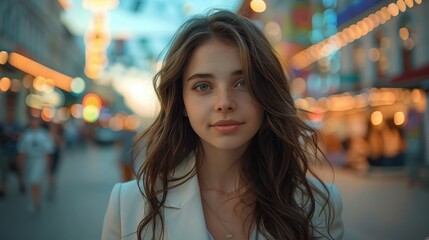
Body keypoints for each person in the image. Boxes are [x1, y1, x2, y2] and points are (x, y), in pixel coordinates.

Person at [102, 10, 344, 240]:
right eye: (203, 87)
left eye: (242, 83)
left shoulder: (319, 205)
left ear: (267, 93)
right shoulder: (129, 205)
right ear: (182, 103)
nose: (224, 103)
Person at [17, 116, 54, 213]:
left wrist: (48, 167)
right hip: (30, 161)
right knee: (32, 182)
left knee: (35, 181)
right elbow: (22, 150)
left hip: (39, 160)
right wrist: (21, 163)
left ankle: (35, 202)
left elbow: (48, 151)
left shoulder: (43, 134)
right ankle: (35, 200)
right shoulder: (26, 134)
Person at [0, 111, 24, 198]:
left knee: (19, 169)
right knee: (4, 171)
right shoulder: (3, 125)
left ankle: (21, 184)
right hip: (4, 152)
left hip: (15, 152)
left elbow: (19, 136)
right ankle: (3, 189)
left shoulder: (17, 125)